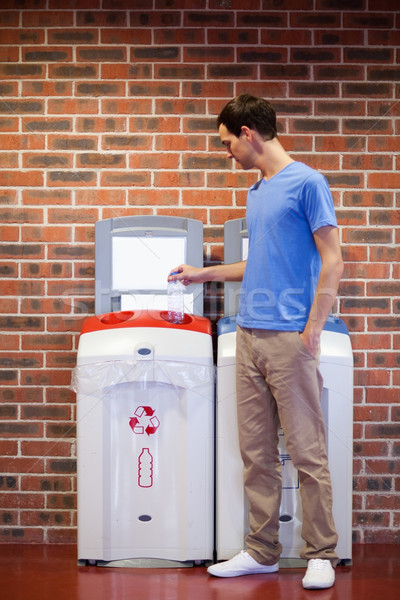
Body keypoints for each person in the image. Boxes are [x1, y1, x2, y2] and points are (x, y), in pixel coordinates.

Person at [168, 94, 344, 590]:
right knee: (257, 452)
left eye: (227, 142)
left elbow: (333, 260)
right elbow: (260, 263)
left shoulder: (307, 183)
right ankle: (262, 551)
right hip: (247, 335)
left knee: (308, 452)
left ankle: (321, 553)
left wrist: (313, 327)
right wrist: (205, 273)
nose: (227, 152)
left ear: (248, 133)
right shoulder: (259, 188)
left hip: (290, 338)